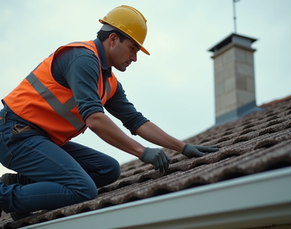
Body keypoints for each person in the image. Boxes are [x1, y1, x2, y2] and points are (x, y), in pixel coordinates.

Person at [0, 5, 218, 220]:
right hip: (14, 133)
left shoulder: (110, 83)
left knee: (108, 169)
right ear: (113, 39)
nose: (135, 58)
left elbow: (136, 121)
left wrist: (183, 147)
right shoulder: (82, 58)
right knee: (82, 189)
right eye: (133, 48)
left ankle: (20, 184)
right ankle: (5, 197)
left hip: (40, 139)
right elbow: (95, 120)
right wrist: (142, 152)